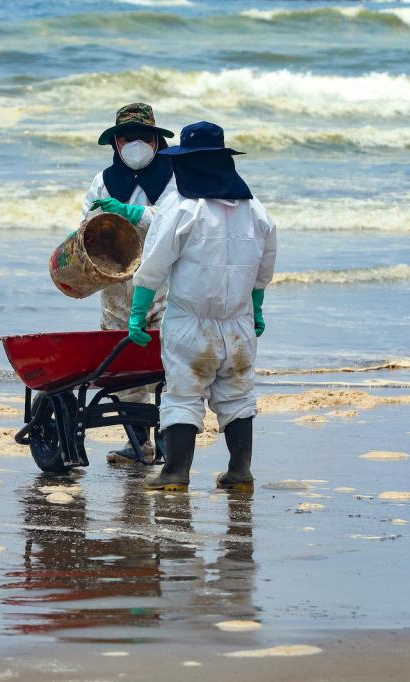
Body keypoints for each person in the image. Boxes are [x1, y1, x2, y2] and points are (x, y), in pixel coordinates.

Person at [127, 122, 277, 491]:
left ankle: (176, 473)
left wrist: (137, 313)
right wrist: (256, 308)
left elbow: (155, 264)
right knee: (238, 394)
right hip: (238, 323)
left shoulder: (182, 207)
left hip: (190, 324)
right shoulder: (255, 209)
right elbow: (265, 265)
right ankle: (240, 472)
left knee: (183, 393)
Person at [80, 102, 177, 463]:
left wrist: (134, 213)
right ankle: (139, 443)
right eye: (127, 138)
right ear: (116, 143)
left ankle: (170, 442)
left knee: (169, 359)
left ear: (156, 140)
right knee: (125, 362)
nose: (135, 144)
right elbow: (87, 229)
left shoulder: (175, 176)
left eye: (143, 137)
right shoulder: (103, 181)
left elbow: (177, 220)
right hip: (118, 283)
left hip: (167, 280)